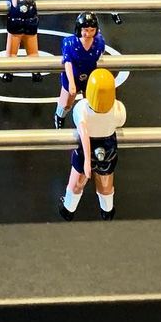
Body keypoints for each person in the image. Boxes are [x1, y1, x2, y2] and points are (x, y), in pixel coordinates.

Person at [58, 68, 126, 222]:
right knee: (105, 181)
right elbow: (120, 122)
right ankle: (107, 210)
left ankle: (69, 209)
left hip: (84, 150)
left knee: (77, 182)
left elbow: (83, 132)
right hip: (108, 148)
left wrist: (88, 161)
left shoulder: (81, 108)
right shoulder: (118, 109)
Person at [54, 11, 106, 128]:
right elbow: (68, 63)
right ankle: (59, 117)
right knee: (66, 103)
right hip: (73, 75)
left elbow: (100, 54)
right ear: (79, 29)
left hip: (90, 76)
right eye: (85, 30)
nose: (88, 33)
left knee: (90, 103)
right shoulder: (70, 43)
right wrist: (72, 83)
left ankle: (88, 122)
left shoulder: (99, 42)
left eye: (92, 30)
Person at [3, 0, 42, 81]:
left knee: (13, 50)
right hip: (29, 16)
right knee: (31, 49)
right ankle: (35, 71)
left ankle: (9, 71)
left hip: (17, 17)